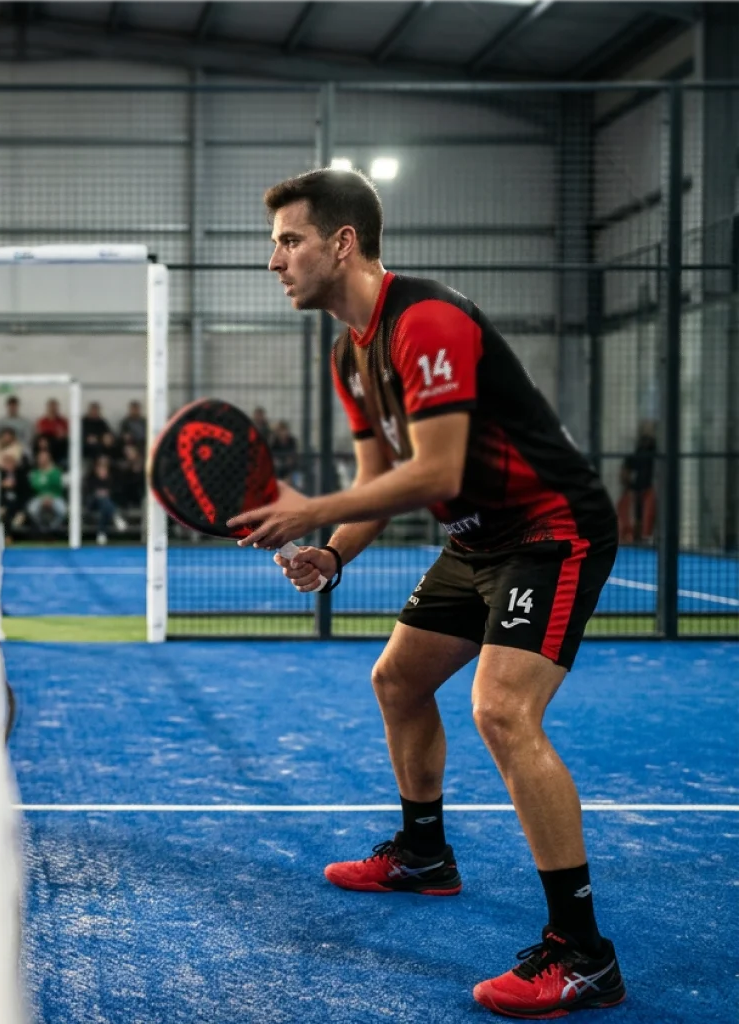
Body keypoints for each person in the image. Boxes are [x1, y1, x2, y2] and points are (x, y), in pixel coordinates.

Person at [231, 168, 623, 1019]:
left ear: (342, 243)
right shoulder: (348, 351)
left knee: (503, 710)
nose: (275, 261)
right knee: (398, 680)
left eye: (289, 240)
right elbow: (379, 477)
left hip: (551, 530)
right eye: (274, 244)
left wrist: (311, 507)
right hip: (478, 536)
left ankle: (583, 953)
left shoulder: (427, 321)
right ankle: (423, 855)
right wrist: (331, 554)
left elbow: (434, 471)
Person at [617, 422, 657, 544]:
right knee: (632, 512)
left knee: (645, 514)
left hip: (646, 488)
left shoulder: (653, 453)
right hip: (636, 489)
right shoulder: (635, 456)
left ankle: (643, 536)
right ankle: (634, 536)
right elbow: (625, 473)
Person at [25, 448, 67, 534]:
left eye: (44, 458)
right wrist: (43, 498)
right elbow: (34, 488)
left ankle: (53, 528)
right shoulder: (34, 473)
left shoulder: (57, 472)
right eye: (40, 458)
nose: (42, 460)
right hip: (39, 498)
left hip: (55, 497)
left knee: (63, 510)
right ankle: (42, 528)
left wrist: (50, 497)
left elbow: (60, 487)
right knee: (32, 509)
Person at [85, 454, 126, 538]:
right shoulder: (91, 478)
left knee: (105, 506)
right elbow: (88, 492)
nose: (102, 470)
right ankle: (115, 516)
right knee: (103, 500)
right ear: (96, 469)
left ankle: (101, 533)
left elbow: (115, 492)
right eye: (100, 468)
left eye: (104, 468)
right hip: (93, 503)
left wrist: (107, 493)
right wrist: (98, 493)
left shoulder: (111, 479)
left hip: (106, 504)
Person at [269, 420, 302, 490]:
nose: (283, 433)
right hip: (278, 467)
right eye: (280, 431)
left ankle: (297, 488)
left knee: (297, 478)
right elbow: (271, 454)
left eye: (284, 430)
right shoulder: (274, 441)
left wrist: (291, 459)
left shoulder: (292, 440)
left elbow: (294, 454)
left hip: (291, 467)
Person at [36, 398, 70, 464]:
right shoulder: (42, 421)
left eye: (55, 407)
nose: (53, 409)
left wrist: (62, 434)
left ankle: (62, 462)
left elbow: (66, 432)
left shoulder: (63, 421)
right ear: (47, 408)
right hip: (48, 442)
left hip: (60, 442)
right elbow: (41, 433)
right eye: (51, 406)